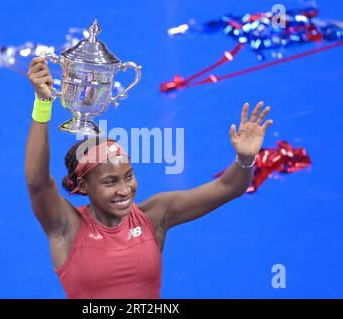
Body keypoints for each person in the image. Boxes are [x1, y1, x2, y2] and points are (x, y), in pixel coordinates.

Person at [25, 56, 274, 299]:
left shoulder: (154, 215)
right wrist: (42, 103)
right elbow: (37, 180)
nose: (125, 190)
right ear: (83, 186)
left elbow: (227, 187)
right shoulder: (66, 227)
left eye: (128, 176)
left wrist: (245, 159)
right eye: (110, 182)